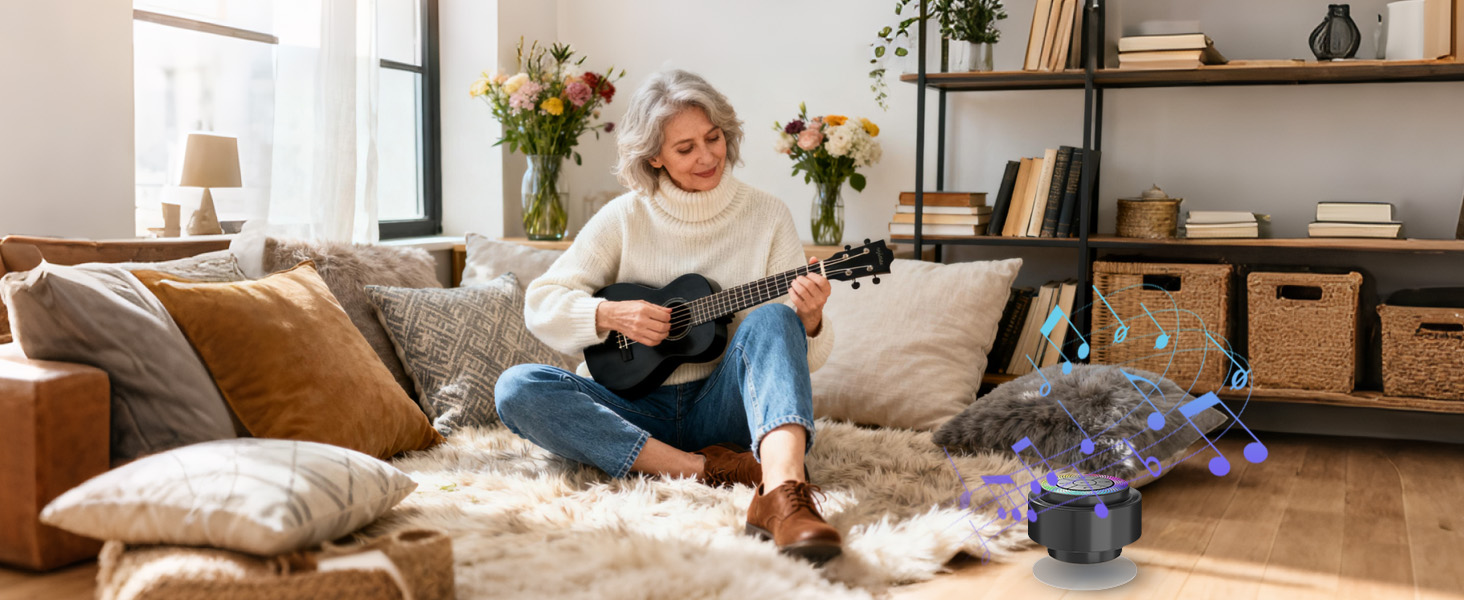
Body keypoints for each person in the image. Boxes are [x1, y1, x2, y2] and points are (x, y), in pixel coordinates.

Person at [494, 69, 841, 563]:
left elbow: (796, 357)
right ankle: (703, 470)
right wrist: (610, 313)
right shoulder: (624, 216)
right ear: (653, 156)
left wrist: (810, 321)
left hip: (724, 410)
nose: (707, 156)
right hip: (633, 411)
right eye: (685, 148)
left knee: (774, 319)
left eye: (714, 138)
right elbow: (542, 303)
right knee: (517, 387)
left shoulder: (768, 215)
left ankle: (785, 497)